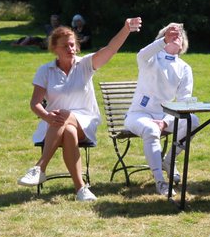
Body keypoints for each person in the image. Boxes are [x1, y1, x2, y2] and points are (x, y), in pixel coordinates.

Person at [19, 17, 142, 201]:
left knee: (64, 114)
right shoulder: (45, 71)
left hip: (85, 121)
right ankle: (81, 189)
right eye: (65, 46)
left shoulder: (85, 64)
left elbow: (110, 49)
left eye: (72, 45)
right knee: (68, 129)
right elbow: (35, 103)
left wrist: (126, 28)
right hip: (54, 126)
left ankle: (40, 167)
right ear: (55, 49)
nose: (70, 49)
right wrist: (46, 116)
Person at [124, 23, 199, 197]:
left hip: (166, 116)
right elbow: (141, 54)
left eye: (179, 35)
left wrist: (165, 121)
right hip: (139, 115)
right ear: (162, 39)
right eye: (170, 34)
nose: (175, 36)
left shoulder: (185, 68)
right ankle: (160, 181)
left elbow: (184, 103)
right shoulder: (151, 58)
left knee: (193, 121)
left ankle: (169, 160)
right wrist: (163, 40)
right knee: (151, 129)